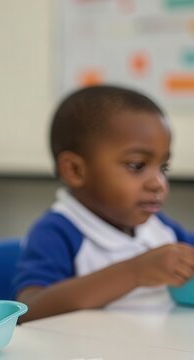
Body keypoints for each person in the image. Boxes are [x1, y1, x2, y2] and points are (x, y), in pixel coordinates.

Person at [13, 85, 194, 323]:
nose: (158, 183)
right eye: (137, 165)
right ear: (75, 170)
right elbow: (29, 309)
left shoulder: (159, 227)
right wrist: (135, 272)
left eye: (163, 168)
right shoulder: (57, 232)